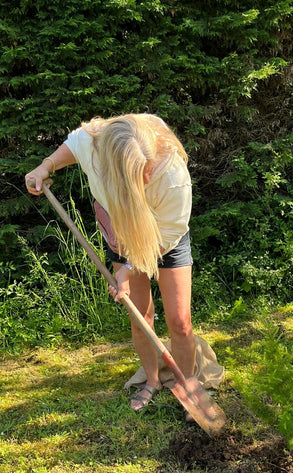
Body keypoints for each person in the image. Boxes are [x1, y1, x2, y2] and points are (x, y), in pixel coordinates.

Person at [25, 113, 196, 413]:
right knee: (140, 315)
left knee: (180, 322)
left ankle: (187, 387)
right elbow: (73, 145)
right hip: (122, 232)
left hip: (165, 238)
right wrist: (44, 167)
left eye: (147, 169)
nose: (145, 179)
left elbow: (170, 232)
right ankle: (152, 381)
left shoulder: (172, 176)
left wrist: (128, 270)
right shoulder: (95, 144)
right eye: (136, 173)